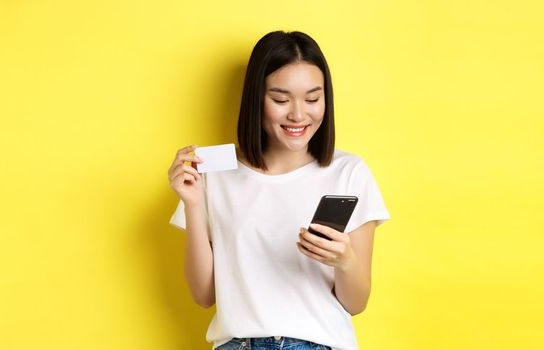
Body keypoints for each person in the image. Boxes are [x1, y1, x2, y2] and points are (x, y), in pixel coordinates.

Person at [167, 30, 390, 350]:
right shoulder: (216, 174)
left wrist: (345, 261)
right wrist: (191, 203)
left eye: (313, 99)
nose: (298, 114)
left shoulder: (349, 172)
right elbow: (203, 296)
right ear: (256, 98)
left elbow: (356, 303)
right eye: (281, 99)